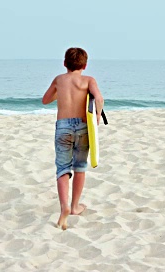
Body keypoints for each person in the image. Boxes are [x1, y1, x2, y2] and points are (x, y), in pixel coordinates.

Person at [42, 47, 104, 230]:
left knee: (62, 168)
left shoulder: (59, 80)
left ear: (64, 64)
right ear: (85, 65)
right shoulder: (88, 80)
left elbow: (45, 100)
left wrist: (60, 92)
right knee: (80, 167)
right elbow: (99, 98)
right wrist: (98, 115)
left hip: (63, 126)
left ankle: (64, 208)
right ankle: (75, 206)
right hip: (84, 126)